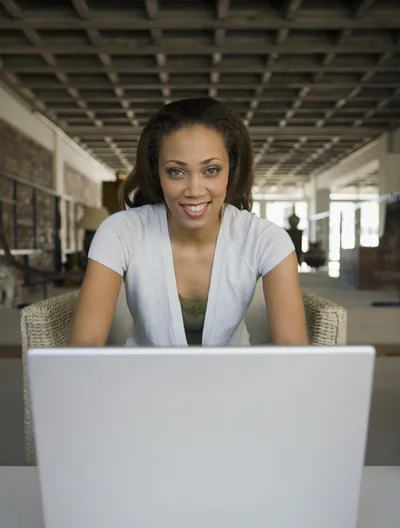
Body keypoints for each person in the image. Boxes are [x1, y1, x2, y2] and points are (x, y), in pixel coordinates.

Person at [69, 97, 308, 347]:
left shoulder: (266, 239)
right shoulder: (119, 232)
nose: (194, 190)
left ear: (232, 170)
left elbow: (293, 353)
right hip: (144, 381)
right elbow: (84, 348)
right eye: (176, 171)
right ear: (156, 173)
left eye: (211, 170)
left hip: (234, 381)